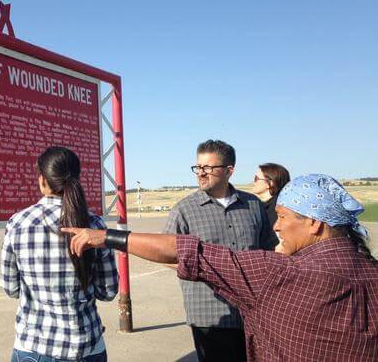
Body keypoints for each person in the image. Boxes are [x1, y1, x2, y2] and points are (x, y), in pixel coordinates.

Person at [63, 174, 378, 361]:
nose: (277, 226)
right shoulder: (372, 274)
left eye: (283, 216)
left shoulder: (279, 273)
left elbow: (188, 251)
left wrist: (106, 237)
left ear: (313, 223)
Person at [1, 146, 118, 362]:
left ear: (42, 180)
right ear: (76, 179)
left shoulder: (17, 223)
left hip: (33, 347)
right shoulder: (94, 225)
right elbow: (108, 291)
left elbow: (12, 288)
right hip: (85, 347)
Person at [165, 140, 278, 362]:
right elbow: (166, 253)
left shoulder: (253, 205)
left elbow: (270, 249)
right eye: (198, 167)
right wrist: (203, 271)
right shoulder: (184, 210)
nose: (200, 173)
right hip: (210, 313)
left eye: (208, 168)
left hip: (253, 311)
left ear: (229, 171)